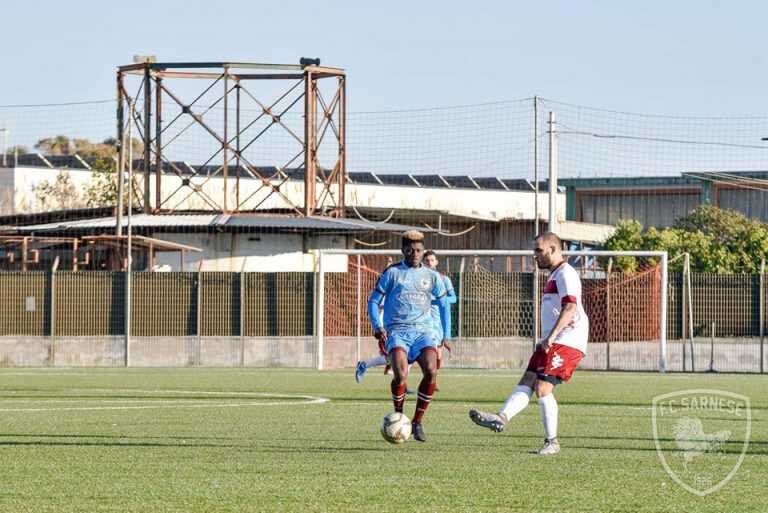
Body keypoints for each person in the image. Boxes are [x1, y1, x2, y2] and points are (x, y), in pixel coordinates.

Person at [468, 232, 589, 455]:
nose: (535, 256)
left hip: (568, 340)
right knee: (529, 378)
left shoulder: (566, 274)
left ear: (553, 249)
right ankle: (502, 417)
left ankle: (552, 442)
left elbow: (570, 307)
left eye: (538, 251)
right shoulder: (554, 275)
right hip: (554, 340)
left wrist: (551, 337)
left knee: (542, 387)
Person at [367, 231, 451, 442]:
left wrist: (446, 334)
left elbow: (444, 305)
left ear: (423, 251)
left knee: (431, 371)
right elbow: (373, 301)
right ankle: (399, 414)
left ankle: (417, 421)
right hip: (397, 332)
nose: (415, 253)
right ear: (403, 250)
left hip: (423, 332)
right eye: (411, 250)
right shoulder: (392, 273)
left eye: (419, 250)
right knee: (401, 376)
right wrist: (377, 326)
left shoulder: (432, 276)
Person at [423, 250, 456, 370]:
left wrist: (438, 301)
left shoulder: (444, 279)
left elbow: (454, 298)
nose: (429, 262)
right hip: (422, 319)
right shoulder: (419, 279)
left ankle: (433, 378)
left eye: (432, 260)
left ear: (436, 262)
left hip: (437, 320)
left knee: (438, 351)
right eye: (427, 260)